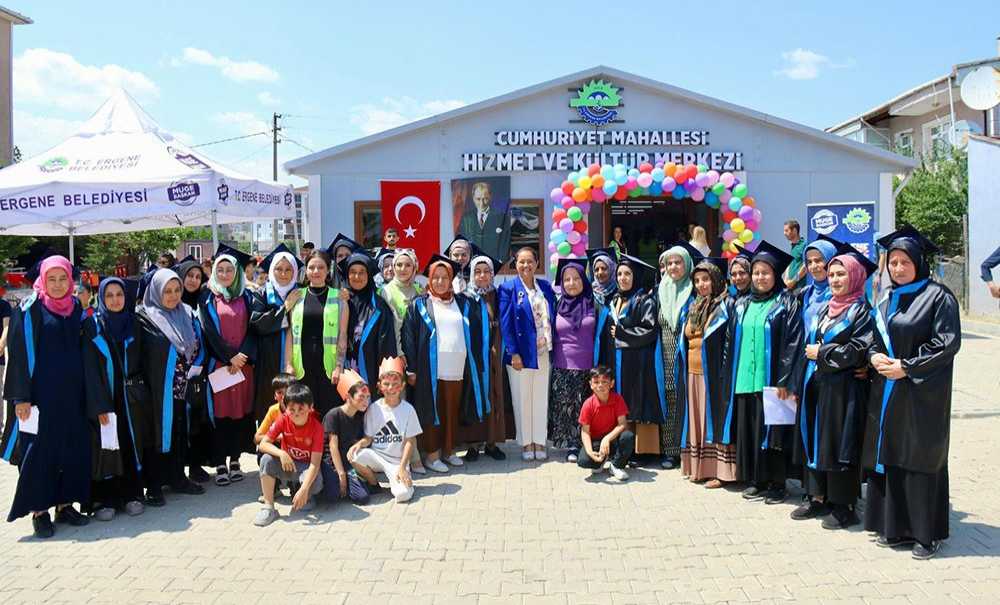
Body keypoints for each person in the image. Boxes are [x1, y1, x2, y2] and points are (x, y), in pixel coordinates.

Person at [863, 225, 961, 560]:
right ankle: (895, 528)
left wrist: (908, 366)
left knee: (920, 458)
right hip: (889, 391)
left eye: (905, 262)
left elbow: (946, 344)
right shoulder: (888, 298)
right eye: (893, 263)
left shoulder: (939, 297)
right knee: (892, 454)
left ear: (919, 261)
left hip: (924, 393)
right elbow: (875, 337)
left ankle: (925, 534)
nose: (898, 268)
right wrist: (873, 355)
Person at [2, 256, 91, 538]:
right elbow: (18, 355)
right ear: (42, 280)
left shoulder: (75, 306)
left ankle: (64, 506)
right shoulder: (30, 310)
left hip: (72, 397)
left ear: (70, 279)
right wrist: (21, 398)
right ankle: (39, 511)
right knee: (39, 453)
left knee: (71, 450)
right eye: (51, 279)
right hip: (40, 400)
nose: (57, 284)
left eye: (62, 278)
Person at [791, 249, 875, 530]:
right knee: (817, 437)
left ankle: (845, 506)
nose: (835, 279)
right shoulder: (829, 306)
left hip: (845, 389)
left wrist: (823, 353)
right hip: (819, 384)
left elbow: (859, 349)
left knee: (841, 443)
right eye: (832, 274)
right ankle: (817, 497)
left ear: (854, 276)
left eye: (841, 274)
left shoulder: (860, 309)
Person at [724, 241, 802, 505]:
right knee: (751, 431)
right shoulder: (741, 303)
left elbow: (793, 342)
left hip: (774, 380)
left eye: (765, 273)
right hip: (745, 379)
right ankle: (757, 480)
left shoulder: (787, 303)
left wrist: (785, 379)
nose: (760, 277)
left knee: (775, 432)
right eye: (756, 273)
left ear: (775, 275)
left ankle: (778, 484)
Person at [401, 255, 486, 472]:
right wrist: (411, 368)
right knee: (433, 411)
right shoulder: (419, 304)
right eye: (436, 277)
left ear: (451, 280)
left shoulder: (462, 302)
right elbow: (408, 337)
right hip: (431, 368)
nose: (440, 282)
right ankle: (432, 455)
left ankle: (448, 451)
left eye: (445, 277)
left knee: (451, 411)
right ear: (429, 279)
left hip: (457, 367)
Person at [136, 269, 206, 506]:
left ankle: (177, 478)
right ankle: (153, 486)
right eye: (167, 291)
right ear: (156, 291)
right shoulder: (144, 317)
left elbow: (195, 345)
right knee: (156, 435)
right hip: (157, 390)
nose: (173, 295)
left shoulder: (185, 313)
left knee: (178, 433)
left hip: (182, 387)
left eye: (177, 290)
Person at [83, 277, 148, 521]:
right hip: (105, 397)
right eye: (108, 295)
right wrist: (99, 404)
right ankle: (106, 499)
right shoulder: (92, 326)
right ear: (101, 297)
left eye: (119, 294)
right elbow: (89, 368)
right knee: (106, 446)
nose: (114, 300)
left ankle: (132, 494)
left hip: (130, 398)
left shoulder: (134, 324)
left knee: (131, 444)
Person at [199, 247, 257, 487]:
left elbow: (254, 328)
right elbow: (209, 332)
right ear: (214, 271)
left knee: (240, 415)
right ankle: (220, 463)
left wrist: (242, 355)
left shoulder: (248, 296)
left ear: (237, 272)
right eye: (220, 270)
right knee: (221, 415)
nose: (224, 274)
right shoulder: (208, 297)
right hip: (220, 367)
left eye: (229, 270)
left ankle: (235, 460)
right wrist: (230, 356)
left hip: (243, 368)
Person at [676, 260, 735, 488]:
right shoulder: (693, 307)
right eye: (697, 280)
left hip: (713, 375)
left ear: (716, 280)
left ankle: (718, 472)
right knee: (696, 420)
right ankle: (698, 467)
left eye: (706, 279)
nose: (701, 284)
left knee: (713, 420)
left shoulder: (726, 305)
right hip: (692, 373)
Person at [548, 258, 610, 462]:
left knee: (588, 407)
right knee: (566, 408)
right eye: (567, 279)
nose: (571, 283)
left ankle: (589, 443)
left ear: (584, 280)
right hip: (562, 365)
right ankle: (570, 445)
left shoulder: (594, 304)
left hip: (589, 367)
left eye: (576, 278)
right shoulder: (556, 305)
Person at [498, 246, 556, 461]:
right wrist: (513, 353)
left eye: (530, 261)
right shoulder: (508, 289)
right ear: (516, 264)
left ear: (537, 263)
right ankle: (525, 442)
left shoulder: (545, 287)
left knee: (540, 397)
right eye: (521, 261)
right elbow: (506, 325)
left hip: (542, 351)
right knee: (522, 398)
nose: (526, 265)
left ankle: (540, 440)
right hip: (520, 355)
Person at [607, 254, 665, 464]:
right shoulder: (615, 299)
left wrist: (622, 334)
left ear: (636, 276)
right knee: (624, 403)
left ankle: (644, 451)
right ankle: (625, 448)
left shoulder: (644, 300)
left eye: (627, 274)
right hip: (621, 360)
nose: (623, 278)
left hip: (639, 361)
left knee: (640, 403)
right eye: (620, 274)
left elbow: (649, 330)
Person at [284, 250, 349, 418]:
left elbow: (343, 334)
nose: (316, 271)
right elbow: (291, 333)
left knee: (328, 412)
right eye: (311, 267)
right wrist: (288, 364)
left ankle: (327, 444)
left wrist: (338, 366)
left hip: (328, 366)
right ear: (305, 271)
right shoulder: (296, 296)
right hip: (302, 365)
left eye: (321, 267)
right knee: (304, 411)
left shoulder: (339, 297)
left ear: (328, 270)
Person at [463, 253, 515, 460]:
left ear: (492, 274)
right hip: (473, 358)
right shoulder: (464, 298)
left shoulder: (499, 296)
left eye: (486, 271)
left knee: (495, 397)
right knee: (474, 397)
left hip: (495, 356)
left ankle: (492, 443)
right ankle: (474, 444)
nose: (482, 275)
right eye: (477, 271)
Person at [349, 358, 422, 503]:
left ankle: (404, 480)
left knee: (402, 496)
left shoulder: (408, 410)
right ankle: (373, 482)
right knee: (353, 455)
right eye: (386, 384)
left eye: (395, 384)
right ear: (379, 387)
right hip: (378, 456)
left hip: (397, 461)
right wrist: (359, 444)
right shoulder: (373, 408)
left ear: (402, 386)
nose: (390, 388)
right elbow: (369, 438)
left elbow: (410, 442)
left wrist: (402, 467)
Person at [254, 382, 324, 526]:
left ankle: (303, 494)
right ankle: (269, 508)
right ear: (286, 409)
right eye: (292, 409)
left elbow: (315, 464)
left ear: (310, 408)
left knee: (316, 483)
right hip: (287, 464)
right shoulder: (283, 419)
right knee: (266, 460)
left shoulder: (317, 428)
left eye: (301, 408)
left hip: (305, 467)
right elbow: (262, 443)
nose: (296, 413)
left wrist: (304, 489)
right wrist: (281, 453)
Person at [250, 244, 303, 423]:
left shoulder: (302, 292)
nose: (283, 273)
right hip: (268, 357)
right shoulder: (261, 294)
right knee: (268, 401)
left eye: (288, 269)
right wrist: (285, 308)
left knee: (296, 403)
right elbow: (257, 324)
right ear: (272, 270)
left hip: (297, 357)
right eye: (279, 269)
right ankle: (268, 443)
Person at [656, 245, 696, 469]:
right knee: (670, 400)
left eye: (677, 262)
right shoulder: (660, 291)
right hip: (664, 354)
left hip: (688, 355)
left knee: (690, 400)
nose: (673, 267)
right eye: (669, 263)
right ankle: (670, 451)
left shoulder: (694, 289)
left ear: (687, 264)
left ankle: (690, 450)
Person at [173, 258, 211, 483]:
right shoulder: (170, 303)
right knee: (181, 421)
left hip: (199, 371)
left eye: (198, 276)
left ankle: (196, 465)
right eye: (189, 275)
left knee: (198, 420)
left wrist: (199, 362)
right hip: (178, 374)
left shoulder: (204, 302)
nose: (193, 280)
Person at [339, 252, 397, 386]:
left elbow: (387, 344)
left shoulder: (379, 306)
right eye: (352, 272)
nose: (357, 276)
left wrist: (384, 375)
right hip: (341, 371)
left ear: (369, 275)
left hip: (370, 371)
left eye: (362, 272)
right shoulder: (339, 301)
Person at [320, 369, 372, 504]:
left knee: (362, 497)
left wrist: (359, 444)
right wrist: (341, 473)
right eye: (361, 397)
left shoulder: (361, 415)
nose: (365, 402)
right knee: (332, 496)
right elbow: (333, 447)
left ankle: (351, 481)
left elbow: (368, 438)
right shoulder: (334, 415)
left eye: (367, 397)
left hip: (349, 461)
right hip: (331, 461)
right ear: (348, 397)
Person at [577, 366, 633, 481]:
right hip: (596, 441)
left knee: (628, 436)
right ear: (591, 384)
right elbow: (585, 431)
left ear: (611, 383)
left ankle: (616, 465)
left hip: (613, 439)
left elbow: (623, 424)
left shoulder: (618, 399)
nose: (600, 385)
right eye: (596, 382)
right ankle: (600, 461)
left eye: (604, 381)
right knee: (584, 461)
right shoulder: (588, 404)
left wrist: (607, 438)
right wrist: (589, 451)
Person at [380, 248, 424, 360]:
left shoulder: (419, 290)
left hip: (418, 349)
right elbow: (393, 326)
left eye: (408, 265)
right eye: (399, 265)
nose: (403, 269)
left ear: (414, 268)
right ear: (394, 268)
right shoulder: (386, 291)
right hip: (396, 352)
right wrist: (399, 353)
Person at [458, 181, 512, 261]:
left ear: (490, 197)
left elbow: (505, 244)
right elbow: (463, 244)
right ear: (473, 198)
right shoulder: (466, 219)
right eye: (478, 199)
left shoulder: (502, 218)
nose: (481, 203)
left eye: (485, 199)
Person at [254, 373, 294, 447]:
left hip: (297, 450)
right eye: (279, 393)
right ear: (275, 396)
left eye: (287, 392)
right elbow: (257, 438)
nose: (284, 396)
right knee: (266, 457)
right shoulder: (273, 410)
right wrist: (277, 437)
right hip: (277, 448)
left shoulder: (301, 410)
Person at [782, 220, 807, 290]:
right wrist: (786, 280)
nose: (784, 233)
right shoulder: (793, 247)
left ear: (795, 230)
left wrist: (793, 281)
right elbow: (790, 264)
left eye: (786, 230)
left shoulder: (804, 245)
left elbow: (805, 266)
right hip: (790, 287)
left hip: (800, 287)